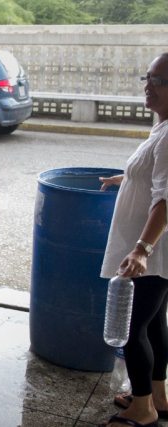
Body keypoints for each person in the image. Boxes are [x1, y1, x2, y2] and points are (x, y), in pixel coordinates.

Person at [99, 53, 168, 427]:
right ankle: (158, 395)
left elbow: (165, 199)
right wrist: (121, 179)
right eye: (148, 78)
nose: (148, 86)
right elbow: (151, 177)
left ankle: (142, 410)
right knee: (156, 324)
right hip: (155, 252)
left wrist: (142, 250)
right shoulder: (162, 127)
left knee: (134, 327)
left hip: (152, 253)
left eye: (157, 81)